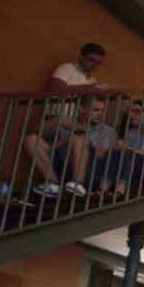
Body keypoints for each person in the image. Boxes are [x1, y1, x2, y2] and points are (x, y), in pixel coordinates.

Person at [29, 43, 111, 197]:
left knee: (78, 137)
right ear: (81, 56)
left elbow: (89, 107)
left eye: (98, 63)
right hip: (53, 121)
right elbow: (55, 89)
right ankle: (52, 183)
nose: (94, 65)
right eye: (91, 60)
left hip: (71, 128)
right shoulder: (67, 69)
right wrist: (90, 88)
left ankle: (77, 184)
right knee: (31, 140)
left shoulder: (92, 79)